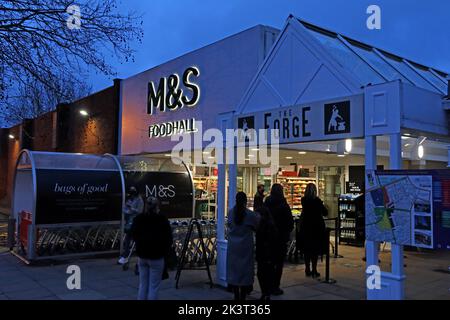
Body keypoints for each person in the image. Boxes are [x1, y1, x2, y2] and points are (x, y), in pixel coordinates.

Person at [130, 196, 173, 300]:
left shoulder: (139, 218)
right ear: (157, 206)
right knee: (154, 286)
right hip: (157, 256)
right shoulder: (162, 219)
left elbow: (133, 234)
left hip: (142, 255)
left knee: (143, 284)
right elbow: (168, 238)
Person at [226, 192, 259, 301]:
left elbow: (229, 225)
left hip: (233, 247)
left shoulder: (231, 213)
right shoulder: (249, 215)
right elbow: (257, 225)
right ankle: (243, 296)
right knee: (245, 272)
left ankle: (236, 295)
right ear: (245, 201)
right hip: (245, 247)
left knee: (234, 271)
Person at [264, 184, 294, 296]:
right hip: (280, 238)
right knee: (279, 263)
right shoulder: (283, 204)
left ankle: (267, 285)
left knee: (269, 262)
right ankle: (275, 286)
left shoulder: (267, 203)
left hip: (268, 238)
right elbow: (290, 223)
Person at [296, 183, 327, 278]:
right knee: (315, 250)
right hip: (316, 228)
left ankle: (307, 269)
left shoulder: (304, 200)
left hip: (306, 227)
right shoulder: (317, 201)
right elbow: (325, 212)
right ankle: (314, 269)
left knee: (307, 249)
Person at [255, 205, 278, 301]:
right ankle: (265, 292)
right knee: (263, 273)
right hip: (265, 254)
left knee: (263, 273)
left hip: (266, 254)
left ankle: (266, 292)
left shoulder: (267, 226)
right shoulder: (266, 225)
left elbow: (268, 241)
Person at [118, 186, 144, 265]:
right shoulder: (130, 199)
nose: (131, 195)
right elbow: (124, 209)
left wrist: (131, 209)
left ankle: (139, 256)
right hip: (129, 222)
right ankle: (125, 255)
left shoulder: (140, 200)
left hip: (136, 222)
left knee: (135, 240)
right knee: (127, 239)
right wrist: (129, 210)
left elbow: (139, 211)